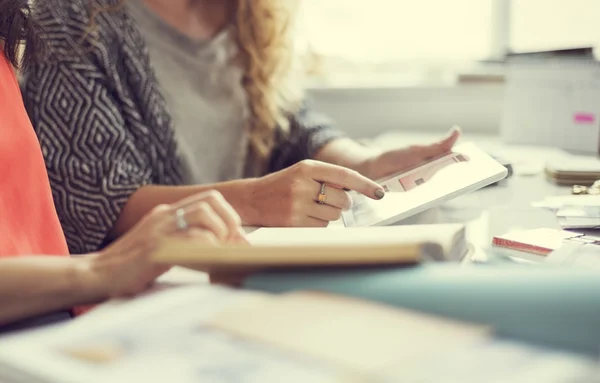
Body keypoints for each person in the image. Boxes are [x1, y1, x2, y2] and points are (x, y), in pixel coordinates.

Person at [23, 0, 460, 254]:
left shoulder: (248, 13)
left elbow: (292, 124)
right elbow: (98, 203)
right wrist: (252, 200)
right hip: (149, 286)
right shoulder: (71, 21)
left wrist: (366, 161)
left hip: (244, 266)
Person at [0, 0, 244, 330]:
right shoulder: (70, 22)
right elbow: (98, 194)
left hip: (58, 320)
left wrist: (127, 261)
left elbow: (27, 254)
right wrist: (104, 269)